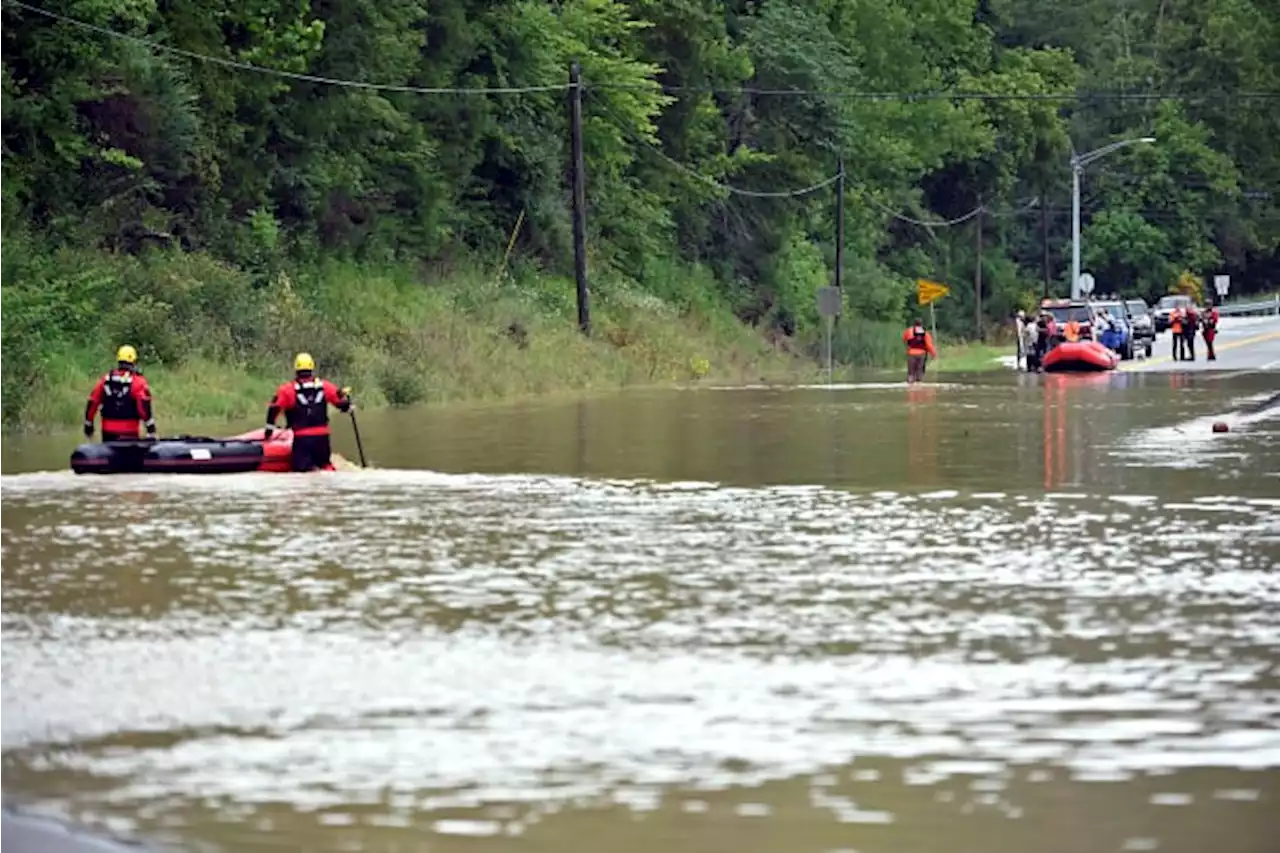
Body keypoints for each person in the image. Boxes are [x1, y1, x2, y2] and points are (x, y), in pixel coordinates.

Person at [264, 353, 354, 472]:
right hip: (322, 438)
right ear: (312, 368)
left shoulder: (287, 390)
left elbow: (274, 409)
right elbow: (341, 404)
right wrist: (348, 407)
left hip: (302, 439)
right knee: (324, 466)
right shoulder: (325, 386)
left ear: (296, 369)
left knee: (302, 471)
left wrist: (269, 432)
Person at [84, 345, 157, 442]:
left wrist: (88, 424)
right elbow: (143, 407)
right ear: (133, 361)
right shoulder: (138, 382)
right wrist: (150, 428)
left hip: (107, 433)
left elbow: (93, 401)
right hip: (130, 432)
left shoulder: (105, 380)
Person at [902, 318, 938, 384]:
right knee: (920, 372)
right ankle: (919, 385)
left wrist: (908, 346)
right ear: (921, 324)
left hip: (911, 353)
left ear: (914, 324)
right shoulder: (925, 333)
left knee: (911, 373)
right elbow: (929, 345)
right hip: (922, 354)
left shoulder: (909, 331)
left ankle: (910, 384)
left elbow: (904, 339)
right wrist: (934, 354)